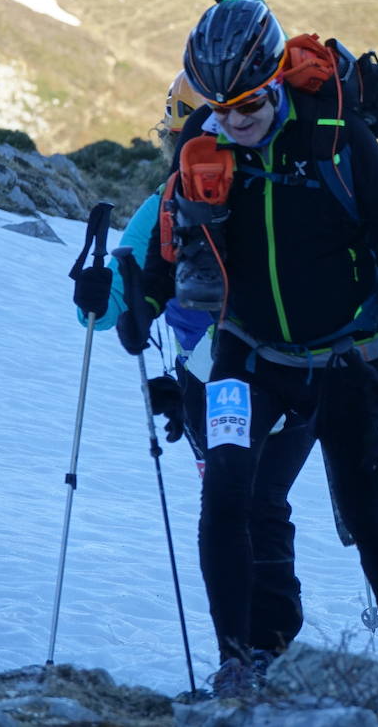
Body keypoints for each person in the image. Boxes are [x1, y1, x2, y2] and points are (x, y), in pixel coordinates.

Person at [126, 0, 378, 697]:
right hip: (247, 355)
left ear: (275, 81)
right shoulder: (203, 146)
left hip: (341, 361)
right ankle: (239, 660)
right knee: (227, 500)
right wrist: (139, 304)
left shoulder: (336, 139)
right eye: (219, 107)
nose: (232, 122)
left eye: (246, 105)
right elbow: (170, 246)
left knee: (364, 509)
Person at [71, 74, 321, 677]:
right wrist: (95, 293)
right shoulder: (167, 205)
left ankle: (258, 652)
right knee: (254, 504)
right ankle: (260, 652)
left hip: (238, 378)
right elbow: (111, 311)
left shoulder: (272, 189)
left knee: (247, 504)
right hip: (224, 381)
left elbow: (110, 316)